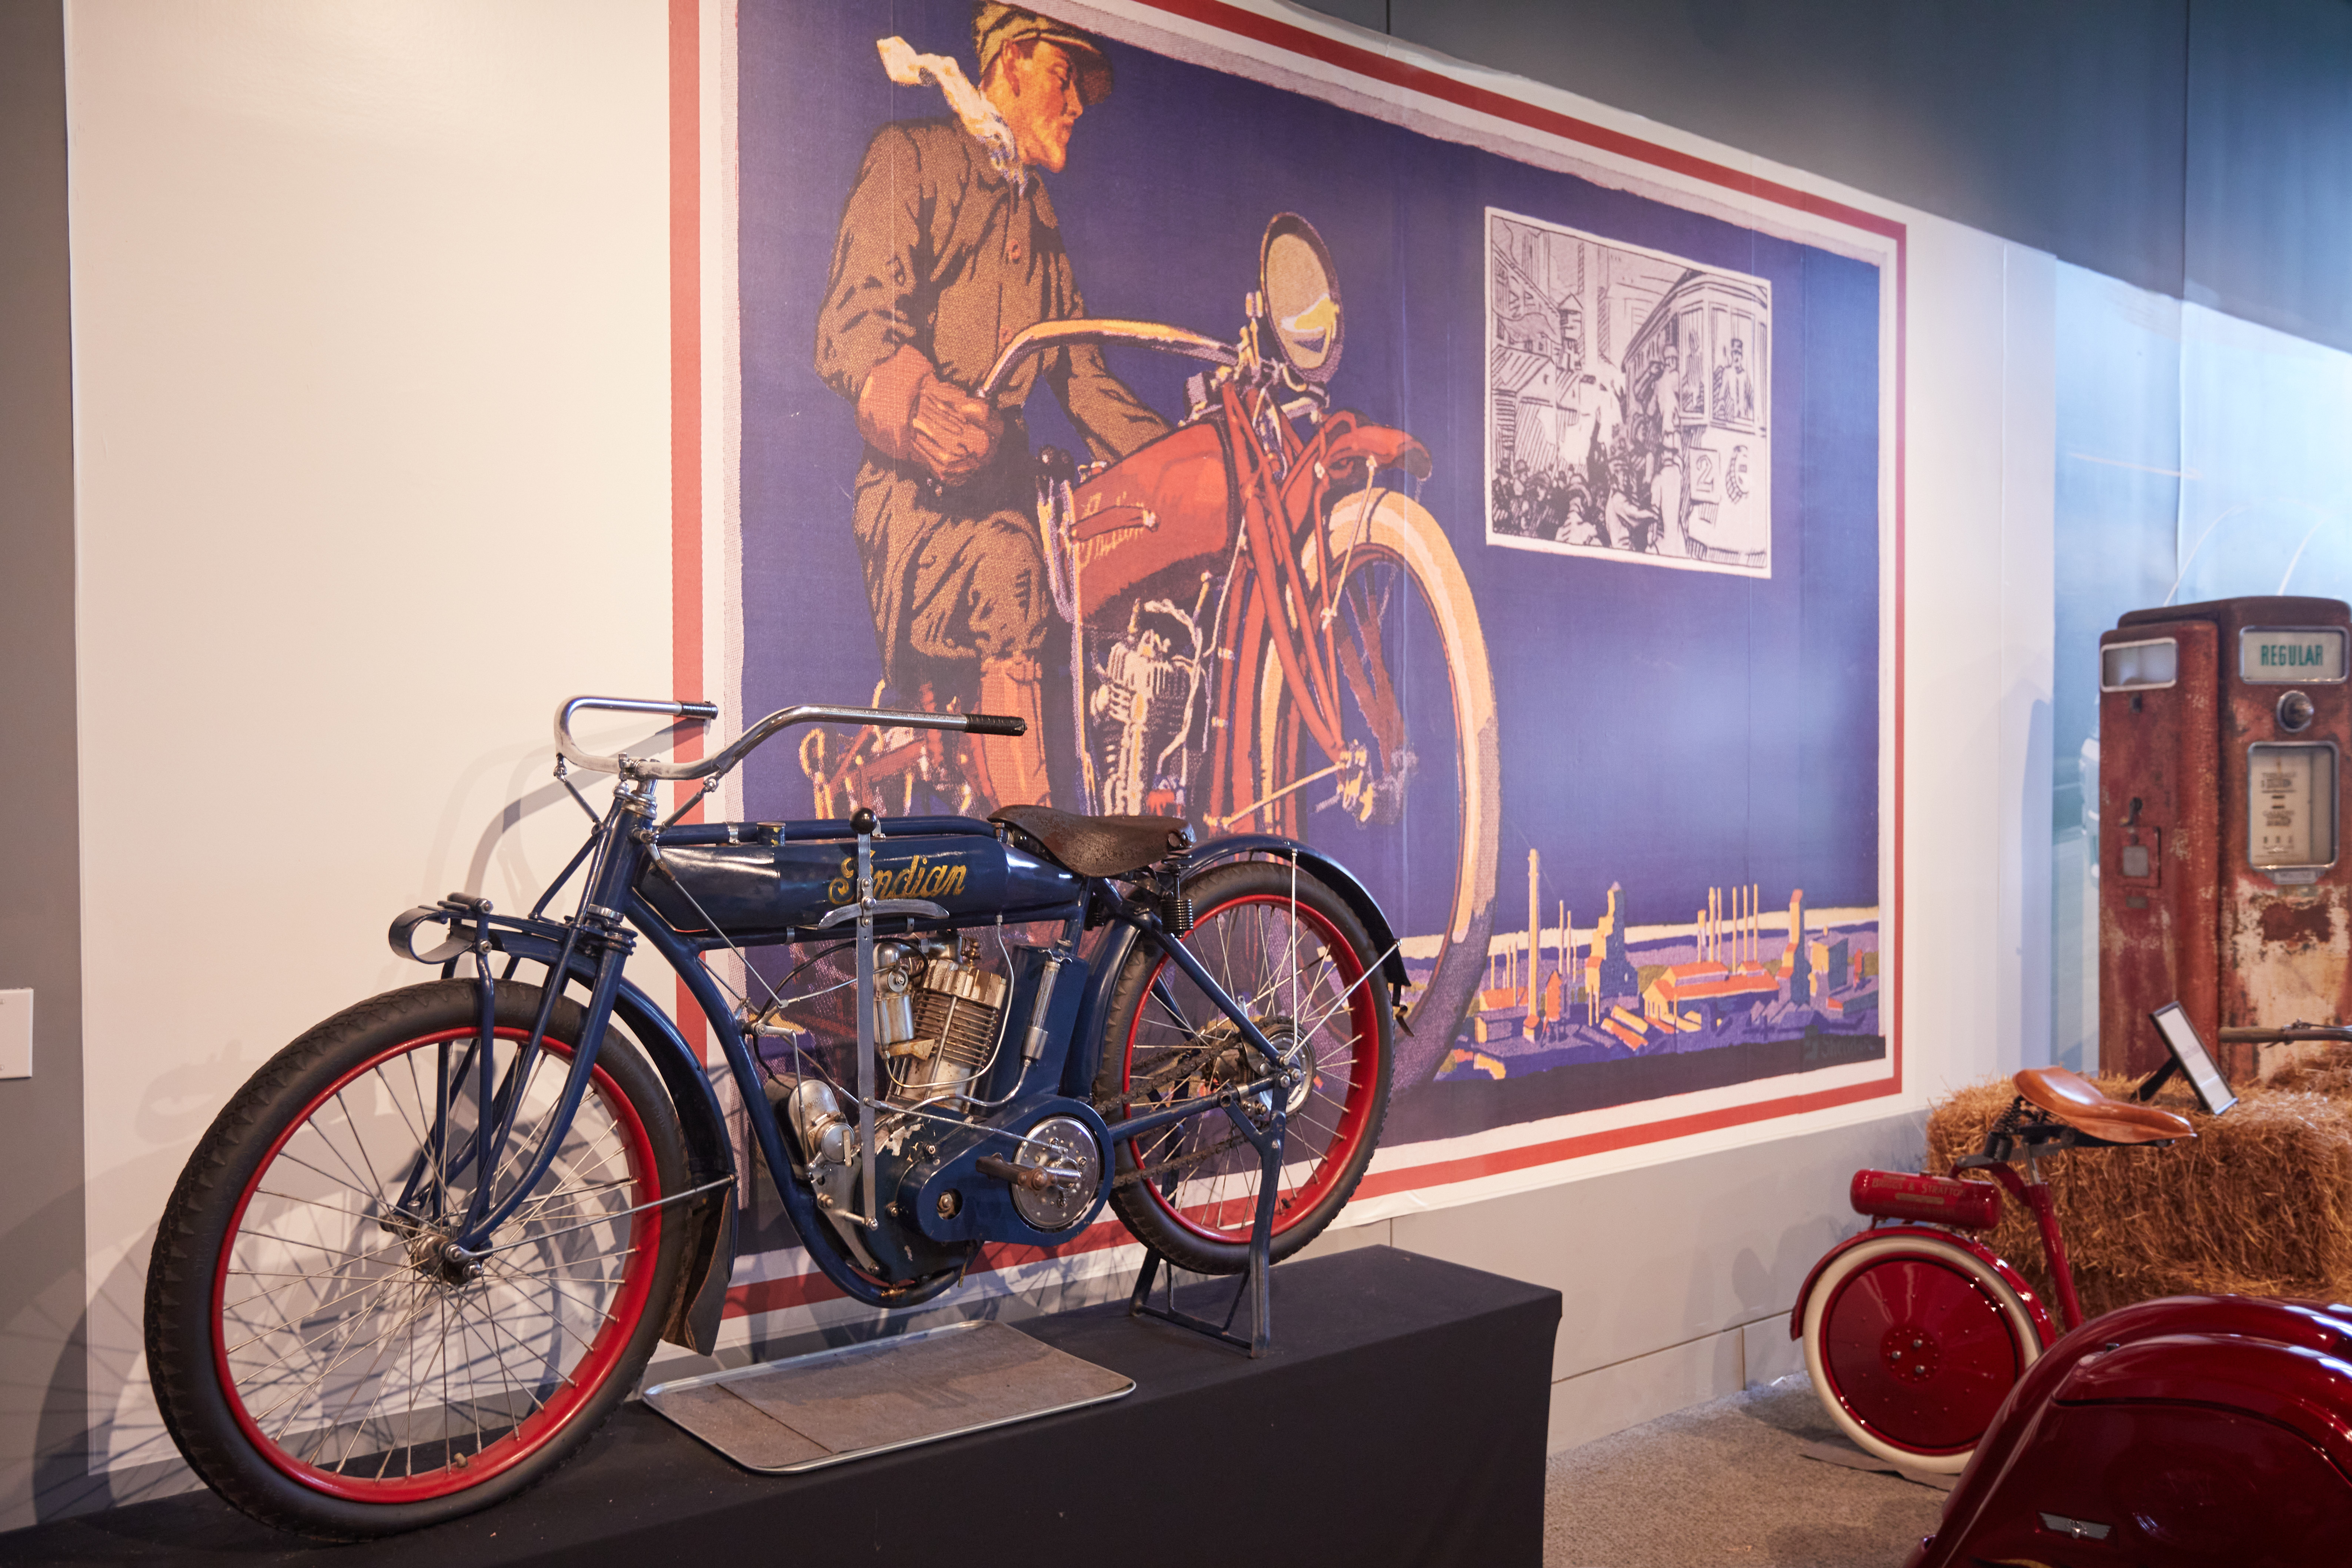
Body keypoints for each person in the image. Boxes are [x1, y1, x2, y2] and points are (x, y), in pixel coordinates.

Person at [814, 4, 1169, 808]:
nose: (1076, 105)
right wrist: (920, 408)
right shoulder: (912, 157)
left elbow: (1086, 382)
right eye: (1062, 78)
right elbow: (851, 327)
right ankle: (1034, 853)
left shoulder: (1037, 218)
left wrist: (1185, 459)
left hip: (1014, 509)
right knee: (1013, 569)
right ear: (1010, 64)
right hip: (916, 515)